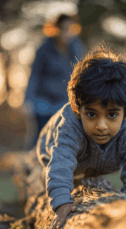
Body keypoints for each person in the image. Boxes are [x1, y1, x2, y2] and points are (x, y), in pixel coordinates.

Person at [36, 45, 126, 229]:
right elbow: (61, 162)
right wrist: (62, 202)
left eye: (112, 115)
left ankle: (89, 174)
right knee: (60, 172)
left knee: (95, 178)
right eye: (91, 114)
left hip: (100, 162)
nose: (101, 125)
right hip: (51, 149)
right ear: (77, 107)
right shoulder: (70, 125)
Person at [24, 14, 86, 149]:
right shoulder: (44, 48)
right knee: (40, 139)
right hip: (43, 101)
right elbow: (34, 75)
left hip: (65, 101)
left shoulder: (77, 47)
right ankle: (30, 166)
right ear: (56, 28)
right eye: (64, 28)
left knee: (62, 140)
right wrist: (28, 100)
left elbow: (82, 76)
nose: (67, 32)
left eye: (70, 28)